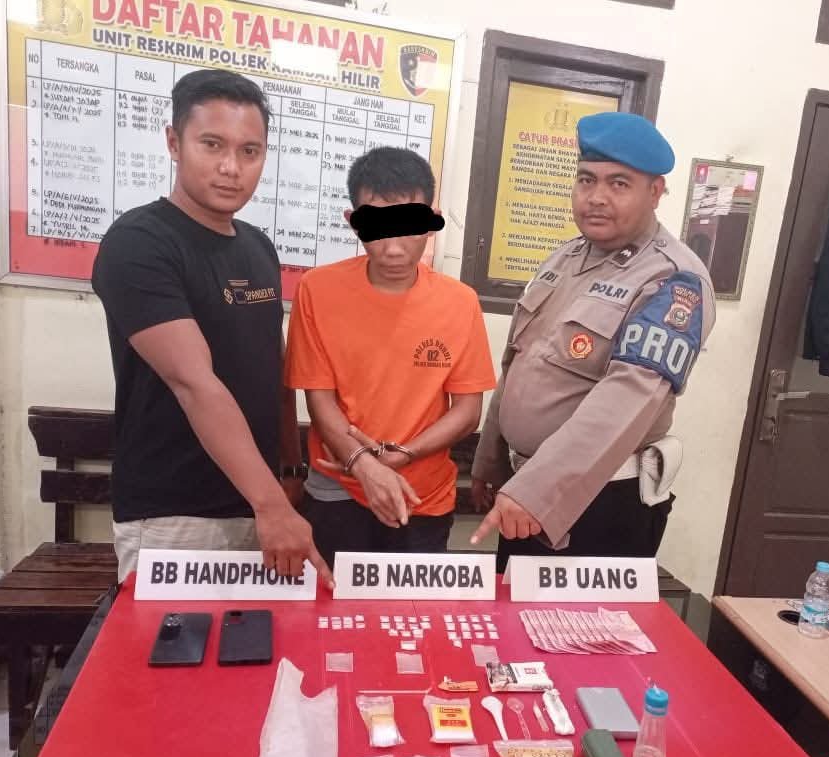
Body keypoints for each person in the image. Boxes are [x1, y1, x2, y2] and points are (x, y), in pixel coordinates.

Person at [92, 69, 329, 584]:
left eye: (250, 151)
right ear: (174, 142)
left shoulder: (258, 247)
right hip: (176, 514)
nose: (231, 168)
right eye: (212, 144)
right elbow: (194, 382)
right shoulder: (139, 242)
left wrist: (289, 472)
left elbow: (274, 367)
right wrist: (272, 504)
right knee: (172, 642)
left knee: (263, 639)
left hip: (259, 505)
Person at [470, 112, 717, 571]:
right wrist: (491, 459)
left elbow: (627, 398)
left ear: (655, 192)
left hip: (599, 502)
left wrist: (535, 492)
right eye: (586, 180)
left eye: (618, 184)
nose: (596, 197)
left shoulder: (673, 278)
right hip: (526, 490)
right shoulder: (565, 258)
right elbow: (520, 363)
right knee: (516, 615)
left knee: (574, 622)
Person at [285, 147, 497, 564]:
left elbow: (467, 411)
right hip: (339, 485)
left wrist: (401, 456)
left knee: (409, 604)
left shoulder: (460, 303)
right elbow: (320, 400)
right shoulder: (318, 290)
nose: (394, 249)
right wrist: (363, 463)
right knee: (333, 600)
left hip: (421, 494)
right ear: (354, 222)